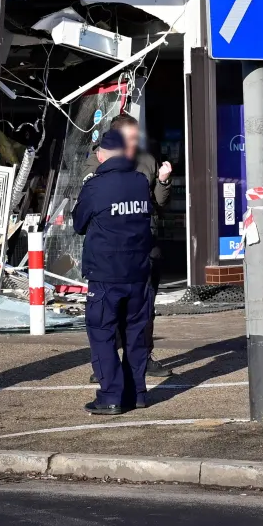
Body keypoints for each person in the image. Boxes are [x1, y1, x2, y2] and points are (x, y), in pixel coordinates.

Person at [82, 112, 173, 378]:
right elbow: (88, 203)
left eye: (136, 139)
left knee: (143, 309)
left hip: (143, 246)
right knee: (108, 312)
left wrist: (165, 181)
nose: (135, 144)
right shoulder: (97, 161)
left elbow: (159, 204)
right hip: (110, 250)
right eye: (130, 138)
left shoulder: (146, 161)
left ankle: (143, 358)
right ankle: (107, 365)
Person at [73, 128, 156, 415]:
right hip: (138, 273)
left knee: (103, 334)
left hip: (106, 275)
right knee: (135, 335)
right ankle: (137, 394)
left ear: (102, 154)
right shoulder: (140, 182)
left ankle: (110, 396)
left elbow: (78, 224)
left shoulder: (95, 187)